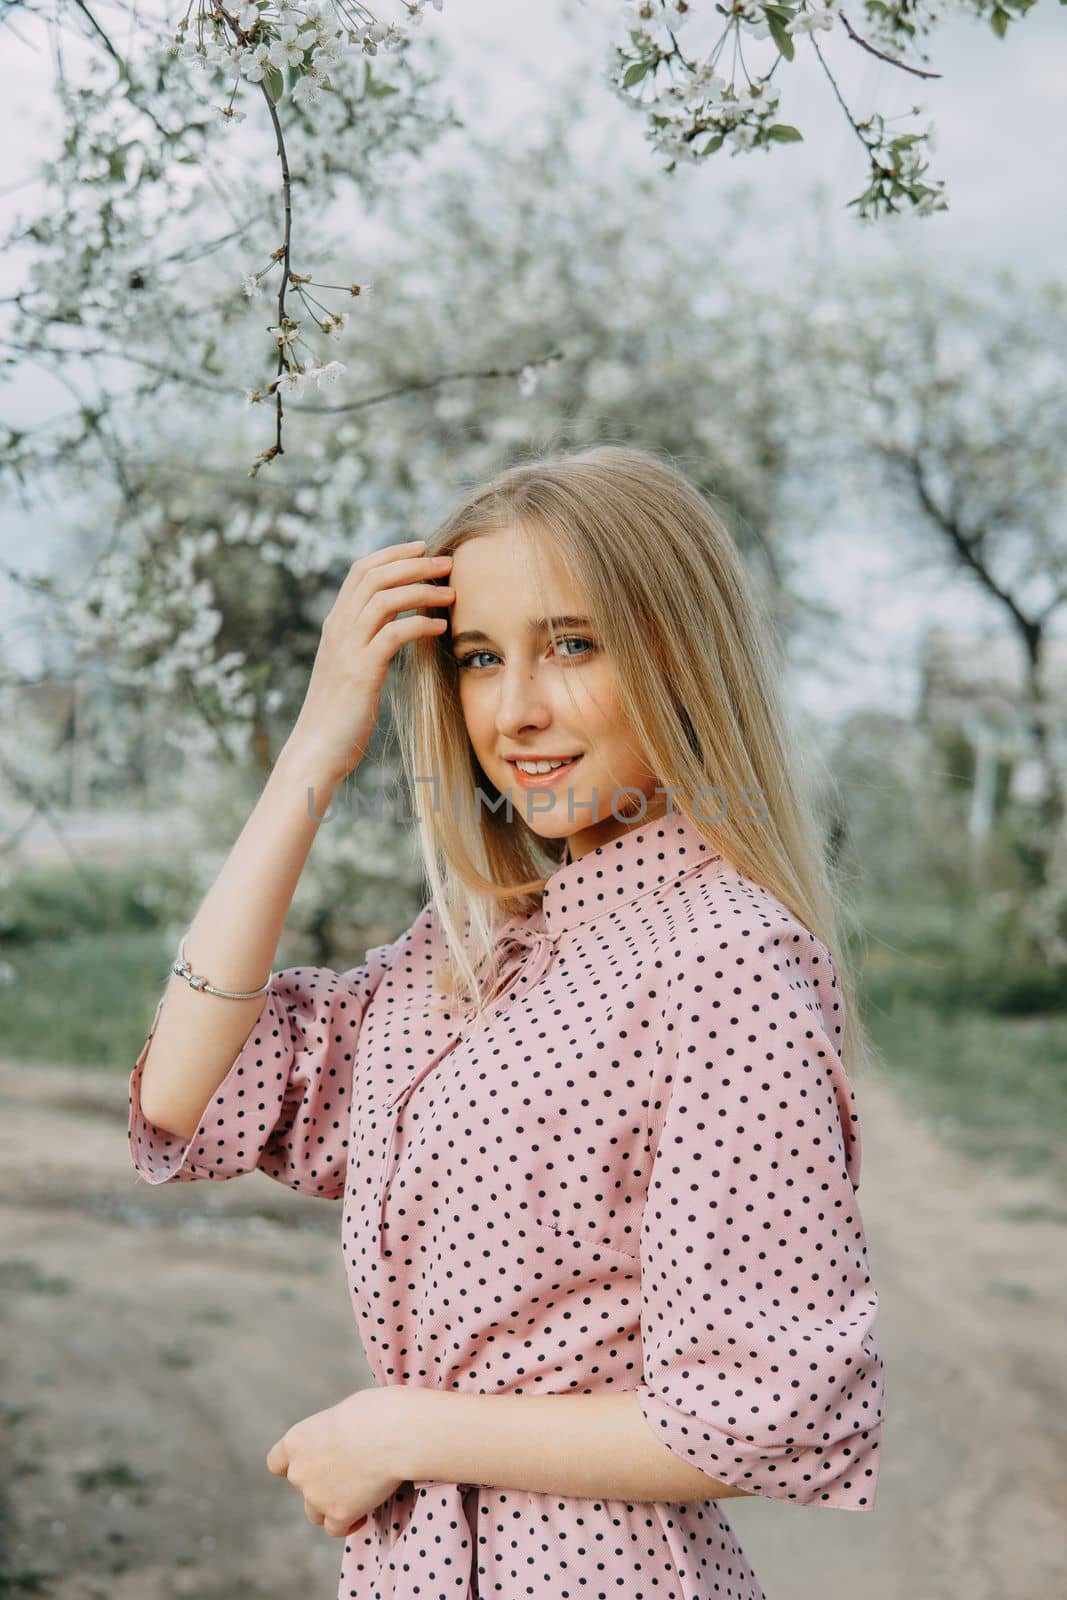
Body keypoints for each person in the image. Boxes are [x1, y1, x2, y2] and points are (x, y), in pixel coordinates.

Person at [128, 443, 885, 1600]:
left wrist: (405, 1431)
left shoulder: (724, 957)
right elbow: (188, 1091)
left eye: (571, 645)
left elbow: (764, 1409)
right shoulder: (466, 952)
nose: (517, 711)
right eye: (479, 659)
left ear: (681, 655)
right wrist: (312, 757)